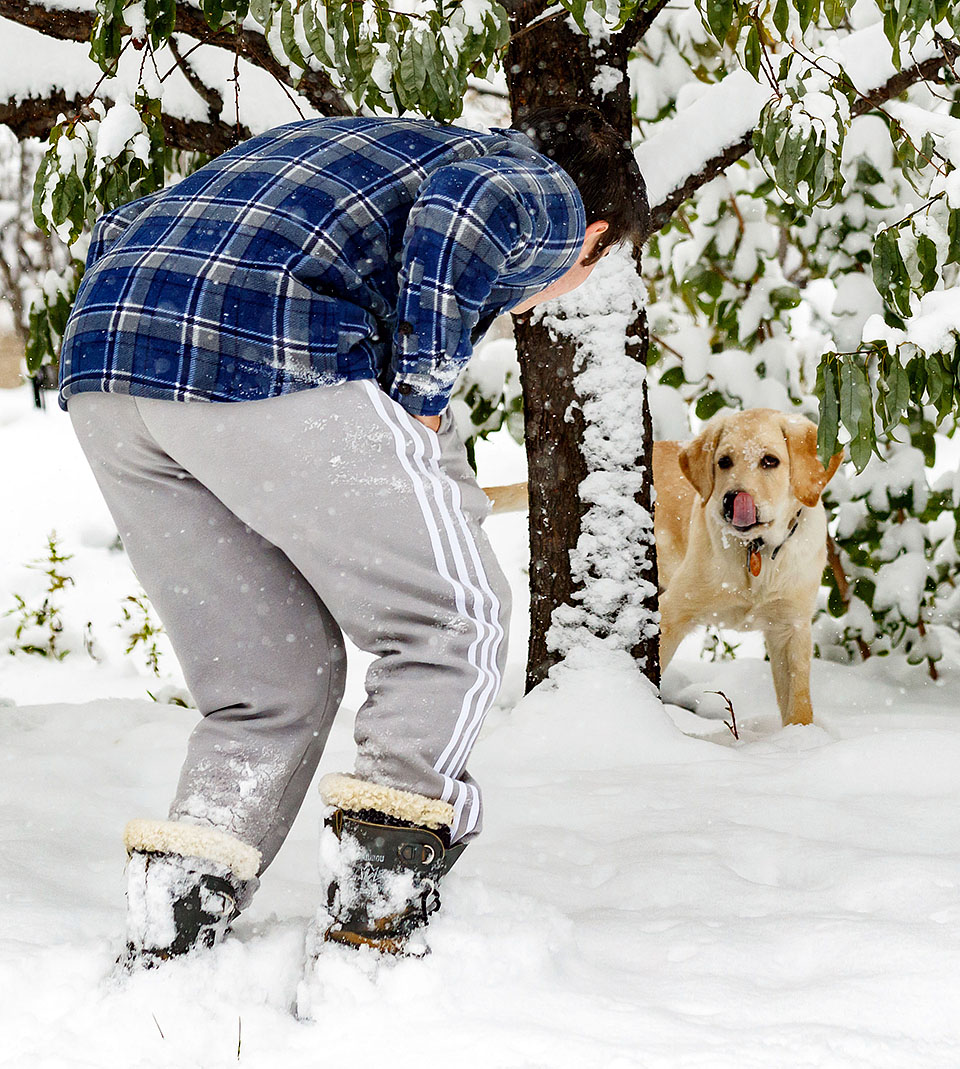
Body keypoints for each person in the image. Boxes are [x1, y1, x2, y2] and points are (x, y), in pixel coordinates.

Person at [60, 104, 647, 960]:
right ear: (591, 237)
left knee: (270, 680)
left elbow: (128, 222)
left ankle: (177, 920)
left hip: (110, 361)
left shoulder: (357, 157)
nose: (563, 286)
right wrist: (423, 391)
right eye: (587, 271)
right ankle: (378, 904)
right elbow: (467, 209)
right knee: (456, 620)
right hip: (260, 348)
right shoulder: (537, 188)